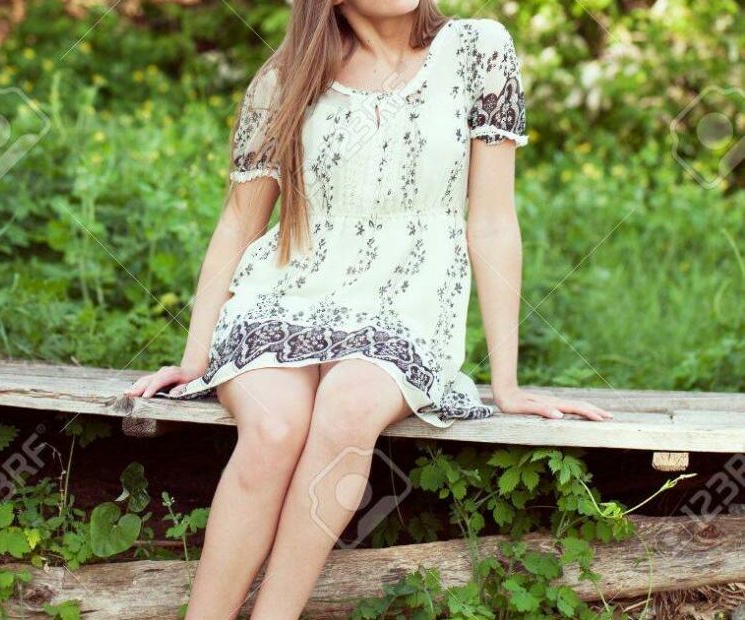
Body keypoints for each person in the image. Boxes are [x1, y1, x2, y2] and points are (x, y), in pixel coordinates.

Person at [126, 1, 611, 617]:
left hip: (407, 304)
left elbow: (491, 223)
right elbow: (239, 223)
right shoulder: (285, 78)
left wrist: (507, 385)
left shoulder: (477, 50)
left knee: (347, 409)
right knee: (273, 429)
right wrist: (194, 358)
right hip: (283, 294)